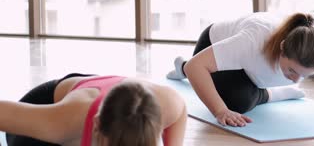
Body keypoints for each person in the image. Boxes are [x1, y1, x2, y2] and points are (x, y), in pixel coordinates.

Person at [167, 12, 314, 127]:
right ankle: (181, 67)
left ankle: (269, 90)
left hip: (254, 68)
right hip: (211, 44)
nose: (296, 80)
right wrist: (220, 111)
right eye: (291, 72)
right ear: (282, 47)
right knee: (236, 103)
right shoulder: (251, 41)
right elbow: (197, 67)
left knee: (247, 91)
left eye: (304, 76)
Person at [1, 73, 187, 146]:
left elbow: (181, 111)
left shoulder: (169, 105)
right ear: (97, 124)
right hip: (44, 107)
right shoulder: (60, 123)